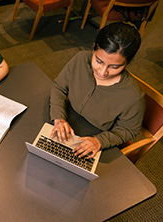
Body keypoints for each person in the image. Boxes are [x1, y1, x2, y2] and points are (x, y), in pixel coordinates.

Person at [49, 22, 145, 159]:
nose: (103, 72)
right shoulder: (80, 59)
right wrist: (58, 117)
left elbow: (129, 130)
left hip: (95, 137)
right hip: (63, 117)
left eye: (114, 67)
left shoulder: (133, 97)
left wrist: (100, 141)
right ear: (94, 48)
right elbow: (59, 87)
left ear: (127, 63)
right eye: (99, 61)